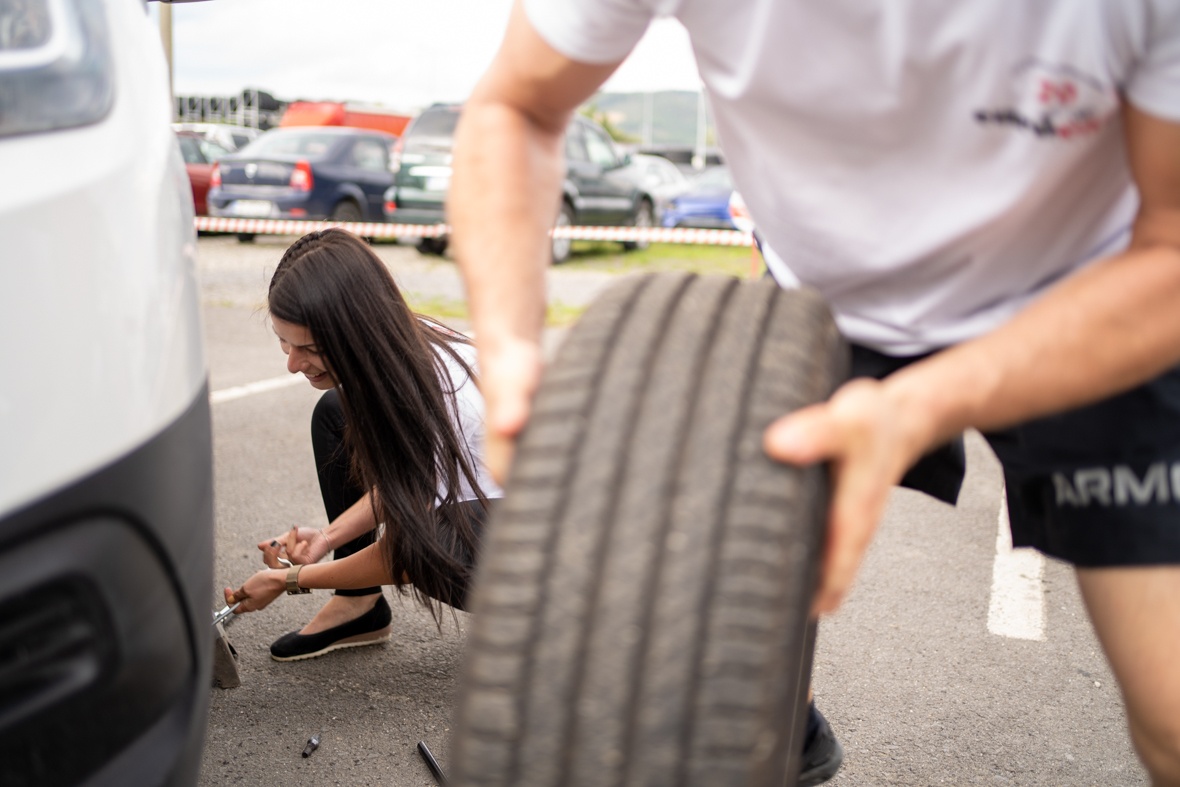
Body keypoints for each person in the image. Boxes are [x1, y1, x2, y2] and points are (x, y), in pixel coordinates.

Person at [444, 1, 1180, 784]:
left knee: (1170, 716)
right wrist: (510, 344)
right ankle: (779, 727)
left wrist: (920, 405)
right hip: (818, 304)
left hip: (1090, 301)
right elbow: (517, 107)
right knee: (680, 666)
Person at [225, 229, 502, 661]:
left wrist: (290, 579)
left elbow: (409, 553)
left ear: (358, 333)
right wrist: (326, 539)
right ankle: (359, 605)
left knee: (434, 543)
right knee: (335, 412)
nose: (293, 364)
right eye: (285, 342)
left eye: (310, 348)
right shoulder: (398, 348)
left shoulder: (431, 397)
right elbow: (411, 482)